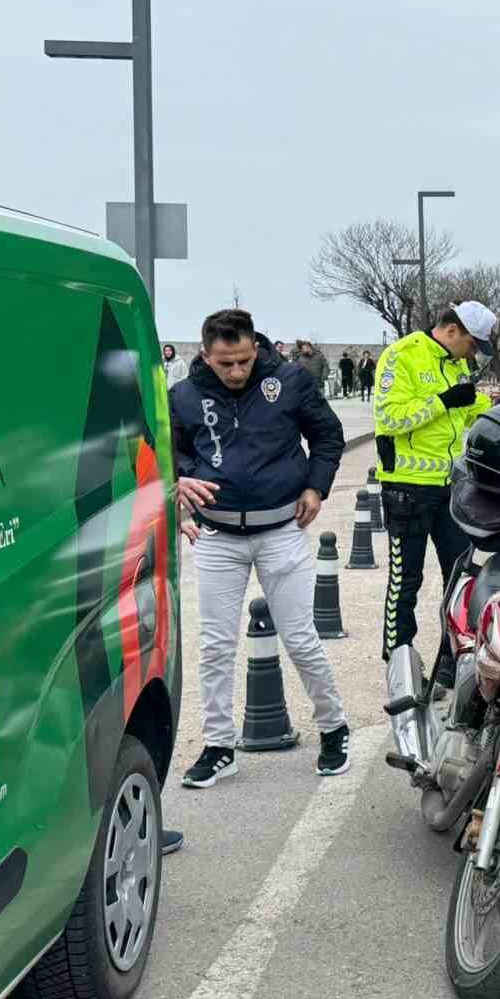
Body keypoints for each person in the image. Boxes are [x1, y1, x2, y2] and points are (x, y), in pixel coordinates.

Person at [170, 308, 353, 786]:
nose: (236, 371)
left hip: (280, 532)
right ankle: (218, 745)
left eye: (244, 360)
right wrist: (179, 480)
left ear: (256, 349)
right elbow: (166, 451)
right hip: (218, 537)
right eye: (225, 363)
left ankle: (334, 728)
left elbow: (328, 436)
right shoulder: (183, 396)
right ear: (205, 355)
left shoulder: (289, 381)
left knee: (300, 638)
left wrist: (316, 486)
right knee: (215, 646)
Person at [373, 302, 497, 679]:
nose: (473, 353)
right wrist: (443, 401)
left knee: (458, 579)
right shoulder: (402, 355)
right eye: (472, 344)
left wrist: (494, 410)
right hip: (407, 489)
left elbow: (466, 409)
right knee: (406, 580)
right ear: (453, 330)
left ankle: (451, 661)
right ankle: (399, 665)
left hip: (451, 487)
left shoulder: (456, 364)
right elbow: (390, 417)